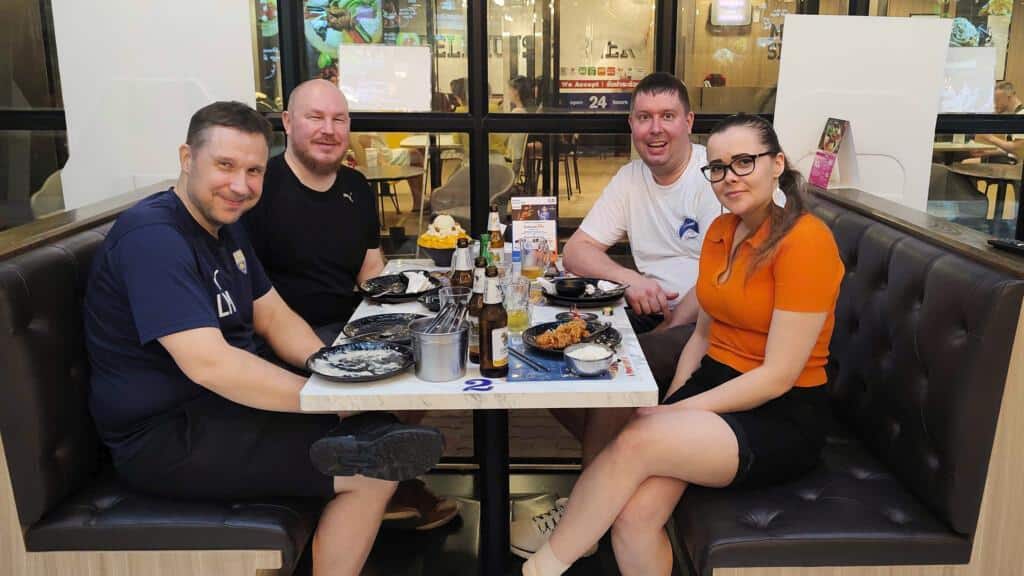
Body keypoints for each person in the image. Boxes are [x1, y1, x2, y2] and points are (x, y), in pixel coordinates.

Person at [83, 100, 446, 576]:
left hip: (218, 412)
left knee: (380, 429)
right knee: (371, 468)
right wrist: (325, 401)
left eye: (254, 171)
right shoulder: (154, 238)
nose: (241, 185)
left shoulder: (223, 228)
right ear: (187, 158)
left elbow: (273, 316)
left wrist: (335, 369)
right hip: (164, 437)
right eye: (225, 165)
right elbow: (210, 364)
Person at [520, 113, 845, 576]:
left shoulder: (806, 241)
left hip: (781, 412)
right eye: (718, 168)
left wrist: (674, 414)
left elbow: (778, 376)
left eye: (744, 162)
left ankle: (542, 568)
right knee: (633, 517)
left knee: (637, 436)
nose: (729, 177)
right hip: (715, 385)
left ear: (777, 164)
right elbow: (703, 336)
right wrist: (674, 400)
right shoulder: (721, 232)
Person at [511, 72, 721, 559]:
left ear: (689, 121)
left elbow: (720, 274)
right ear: (631, 125)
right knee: (547, 361)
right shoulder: (631, 178)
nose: (655, 129)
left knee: (616, 369)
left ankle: (585, 518)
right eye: (644, 117)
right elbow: (578, 251)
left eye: (667, 116)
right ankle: (613, 482)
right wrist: (632, 281)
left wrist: (670, 324)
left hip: (705, 322)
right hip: (650, 310)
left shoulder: (713, 176)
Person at [243, 79, 459, 530]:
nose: (329, 129)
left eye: (338, 119)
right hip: (294, 335)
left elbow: (369, 265)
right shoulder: (260, 189)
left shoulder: (356, 186)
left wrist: (409, 304)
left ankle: (388, 475)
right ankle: (381, 479)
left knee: (427, 348)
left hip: (352, 322)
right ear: (287, 122)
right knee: (391, 372)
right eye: (315, 118)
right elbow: (257, 300)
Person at [975, 81, 1024, 160]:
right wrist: (987, 152)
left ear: (1009, 97)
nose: (994, 104)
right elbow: (1010, 150)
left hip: (1016, 164)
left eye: (997, 100)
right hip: (1012, 160)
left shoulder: (1021, 116)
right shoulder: (1015, 116)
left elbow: (1018, 149)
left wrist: (989, 137)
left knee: (966, 163)